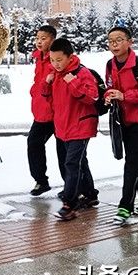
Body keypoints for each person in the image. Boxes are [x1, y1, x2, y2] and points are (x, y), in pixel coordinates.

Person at [103, 27, 138, 226]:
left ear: (130, 42)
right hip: (123, 120)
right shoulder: (110, 64)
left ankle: (125, 205)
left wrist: (125, 96)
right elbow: (110, 86)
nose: (114, 44)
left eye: (119, 40)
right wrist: (108, 96)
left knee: (133, 163)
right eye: (110, 41)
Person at [42, 38, 99, 221]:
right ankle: (90, 194)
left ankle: (70, 203)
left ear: (69, 57)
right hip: (63, 126)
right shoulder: (56, 75)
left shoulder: (82, 73)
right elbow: (50, 100)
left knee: (72, 164)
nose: (55, 64)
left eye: (59, 60)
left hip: (81, 126)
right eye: (52, 60)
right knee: (80, 162)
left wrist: (73, 82)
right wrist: (47, 83)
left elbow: (92, 97)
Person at [26, 25, 66, 196]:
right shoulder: (39, 58)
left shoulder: (58, 58)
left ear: (53, 39)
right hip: (42, 112)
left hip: (58, 113)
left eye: (44, 38)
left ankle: (73, 187)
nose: (39, 42)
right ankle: (41, 181)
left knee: (64, 151)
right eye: (37, 38)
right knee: (33, 143)